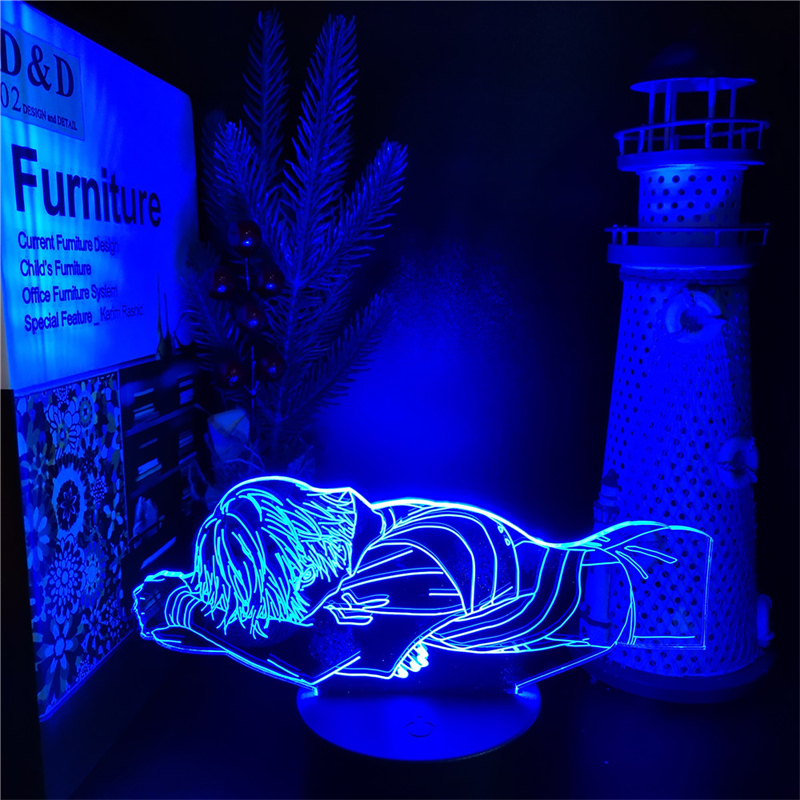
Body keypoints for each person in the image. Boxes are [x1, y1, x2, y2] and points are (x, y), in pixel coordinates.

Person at [133, 476, 712, 691]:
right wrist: (192, 614)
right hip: (627, 612)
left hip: (661, 621)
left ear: (303, 564)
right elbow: (281, 638)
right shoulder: (378, 537)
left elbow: (309, 656)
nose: (291, 614)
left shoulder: (407, 558)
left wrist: (189, 614)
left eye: (279, 601)